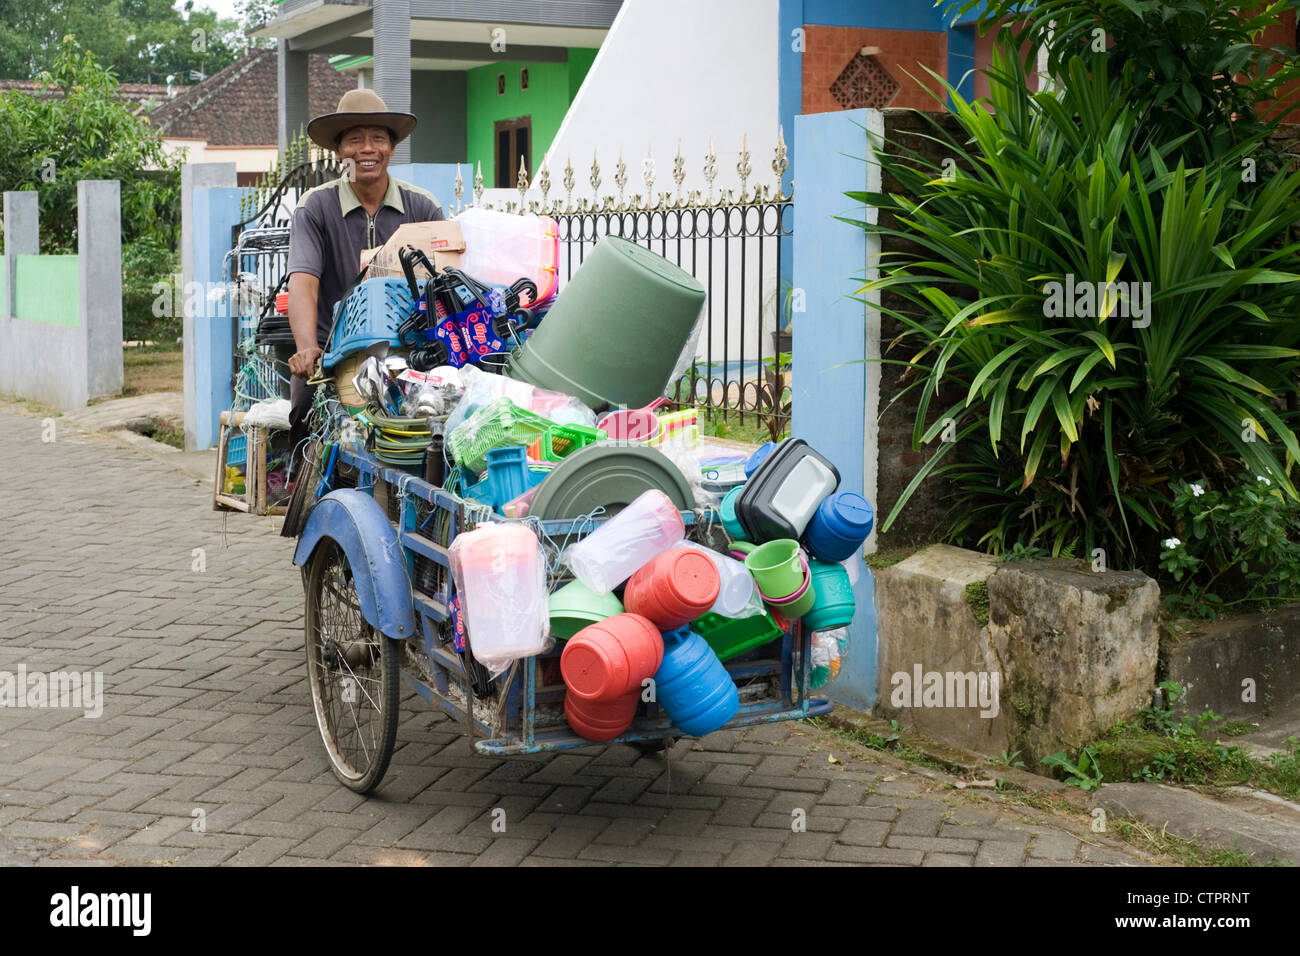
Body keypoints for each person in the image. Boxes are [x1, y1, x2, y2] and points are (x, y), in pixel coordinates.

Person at [284, 88, 445, 458]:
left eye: (377, 138)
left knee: (440, 422)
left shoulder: (424, 206)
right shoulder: (315, 208)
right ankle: (301, 493)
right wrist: (308, 347)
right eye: (355, 139)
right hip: (332, 350)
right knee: (305, 415)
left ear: (391, 147)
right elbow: (304, 284)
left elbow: (446, 279)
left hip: (409, 348)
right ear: (339, 151)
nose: (367, 149)